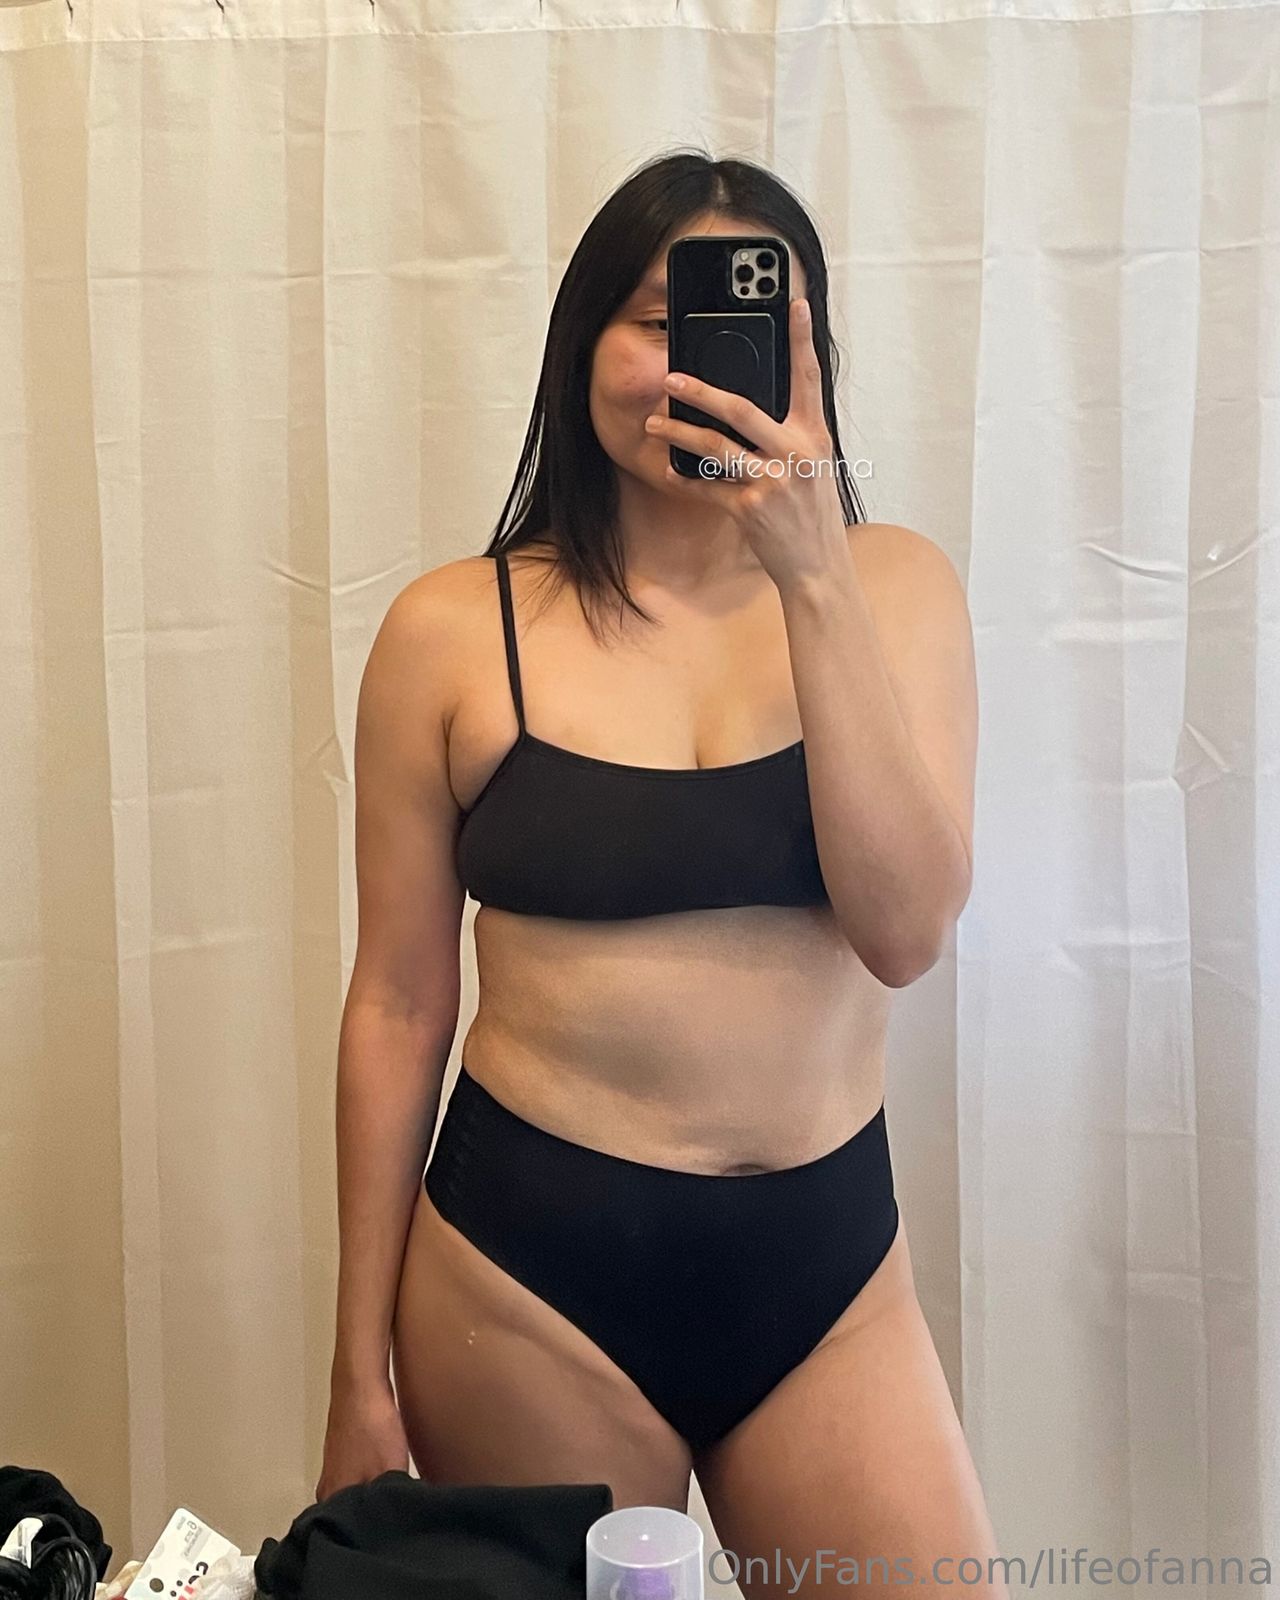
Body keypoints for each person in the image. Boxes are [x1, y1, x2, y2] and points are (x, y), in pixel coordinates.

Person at [318, 150, 1006, 1600]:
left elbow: (905, 931)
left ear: (807, 356)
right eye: (655, 320)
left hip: (826, 1279)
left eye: (744, 323)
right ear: (583, 344)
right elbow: (395, 1005)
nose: (691, 365)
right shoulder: (451, 631)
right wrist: (353, 1375)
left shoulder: (894, 588)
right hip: (523, 1281)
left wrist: (809, 570)